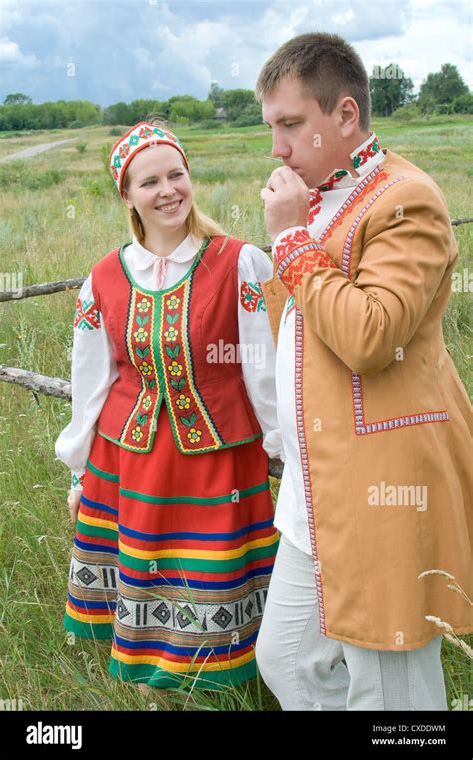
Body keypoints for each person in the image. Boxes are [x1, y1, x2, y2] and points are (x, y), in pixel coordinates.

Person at [255, 33, 473, 711]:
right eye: (271, 128)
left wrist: (290, 241)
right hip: (315, 491)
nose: (277, 148)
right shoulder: (320, 198)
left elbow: (370, 336)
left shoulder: (407, 201)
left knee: (392, 691)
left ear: (345, 115)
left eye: (291, 124)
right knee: (288, 660)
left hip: (384, 487)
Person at [55, 120, 282, 698]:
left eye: (176, 174)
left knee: (214, 575)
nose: (167, 190)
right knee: (145, 573)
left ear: (190, 176)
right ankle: (150, 688)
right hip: (127, 462)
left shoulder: (239, 263)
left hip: (219, 462)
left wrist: (286, 447)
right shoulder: (103, 279)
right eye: (149, 181)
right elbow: (92, 378)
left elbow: (262, 367)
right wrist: (80, 465)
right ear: (127, 196)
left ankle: (225, 688)